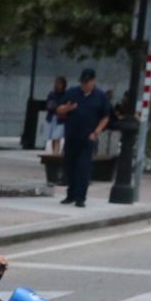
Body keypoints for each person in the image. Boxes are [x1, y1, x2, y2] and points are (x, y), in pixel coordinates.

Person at [54, 68, 110, 207]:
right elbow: (58, 109)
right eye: (82, 82)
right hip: (71, 136)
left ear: (93, 82)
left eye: (87, 82)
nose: (84, 85)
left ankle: (81, 197)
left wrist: (96, 132)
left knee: (83, 168)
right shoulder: (73, 92)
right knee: (70, 166)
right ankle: (70, 195)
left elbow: (105, 117)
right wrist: (67, 109)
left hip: (87, 137)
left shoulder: (100, 96)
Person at [43, 74, 69, 155]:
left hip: (61, 119)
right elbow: (49, 105)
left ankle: (55, 154)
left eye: (59, 83)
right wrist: (58, 107)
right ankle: (55, 153)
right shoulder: (52, 94)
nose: (57, 85)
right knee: (53, 138)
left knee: (57, 137)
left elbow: (66, 106)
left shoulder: (66, 95)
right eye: (56, 83)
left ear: (63, 85)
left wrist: (61, 108)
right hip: (52, 118)